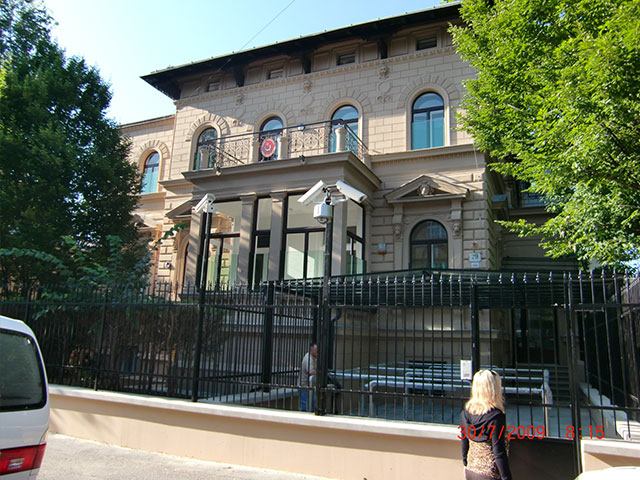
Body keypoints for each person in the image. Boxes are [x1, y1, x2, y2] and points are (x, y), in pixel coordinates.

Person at [460, 370, 512, 480]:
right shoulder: (496, 417)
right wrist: (506, 477)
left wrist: (465, 462)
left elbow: (464, 441)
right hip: (489, 474)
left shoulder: (466, 412)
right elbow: (499, 452)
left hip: (471, 471)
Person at [299, 343, 317, 412]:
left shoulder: (313, 357)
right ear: (311, 350)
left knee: (310, 404)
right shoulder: (309, 358)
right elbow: (311, 371)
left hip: (309, 385)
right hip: (304, 385)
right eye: (316, 350)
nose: (317, 352)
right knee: (305, 404)